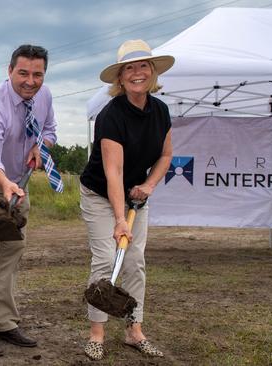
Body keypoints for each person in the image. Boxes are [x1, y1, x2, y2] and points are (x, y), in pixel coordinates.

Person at [0, 44, 62, 358]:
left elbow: (50, 129)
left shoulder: (44, 96)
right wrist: (5, 184)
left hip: (17, 183)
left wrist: (40, 147)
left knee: (11, 254)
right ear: (9, 71)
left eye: (37, 74)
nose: (30, 81)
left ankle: (5, 322)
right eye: (23, 73)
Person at [79, 39, 174, 360]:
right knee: (107, 259)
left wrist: (148, 185)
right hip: (99, 193)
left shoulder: (161, 111)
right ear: (120, 78)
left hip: (136, 195)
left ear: (152, 72)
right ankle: (96, 333)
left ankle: (134, 331)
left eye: (143, 66)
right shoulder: (111, 115)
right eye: (129, 68)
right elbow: (113, 172)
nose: (137, 73)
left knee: (135, 262)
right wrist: (120, 219)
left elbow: (166, 155)